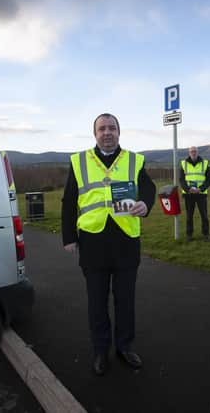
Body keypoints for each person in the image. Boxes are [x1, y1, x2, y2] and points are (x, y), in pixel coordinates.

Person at [61, 113, 156, 376]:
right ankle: (100, 351)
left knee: (125, 301)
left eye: (112, 128)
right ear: (95, 133)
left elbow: (149, 188)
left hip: (126, 241)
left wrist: (145, 204)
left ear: (119, 132)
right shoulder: (79, 161)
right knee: (97, 302)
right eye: (102, 128)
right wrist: (69, 237)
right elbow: (69, 201)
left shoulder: (134, 160)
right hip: (92, 241)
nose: (107, 132)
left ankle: (124, 347)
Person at [179, 146, 210, 241]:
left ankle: (206, 234)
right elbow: (181, 180)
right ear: (189, 153)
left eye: (195, 151)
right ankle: (189, 235)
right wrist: (188, 189)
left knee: (204, 215)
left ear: (198, 152)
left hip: (201, 194)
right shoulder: (183, 164)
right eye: (191, 151)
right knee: (189, 216)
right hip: (189, 194)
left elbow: (209, 180)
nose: (193, 153)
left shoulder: (205, 164)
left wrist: (200, 189)